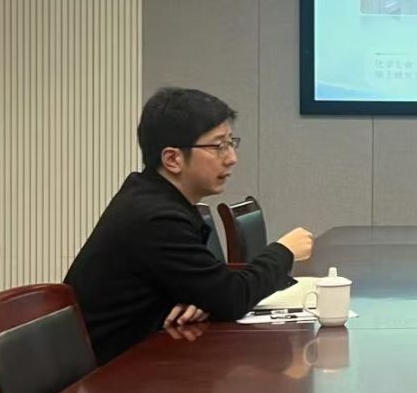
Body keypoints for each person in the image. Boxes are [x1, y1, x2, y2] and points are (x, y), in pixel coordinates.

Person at [66, 88, 315, 364]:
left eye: (231, 143)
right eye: (218, 146)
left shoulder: (154, 198)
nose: (232, 157)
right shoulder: (156, 218)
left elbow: (213, 290)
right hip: (110, 374)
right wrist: (284, 251)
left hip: (143, 357)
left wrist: (201, 297)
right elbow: (232, 298)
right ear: (173, 159)